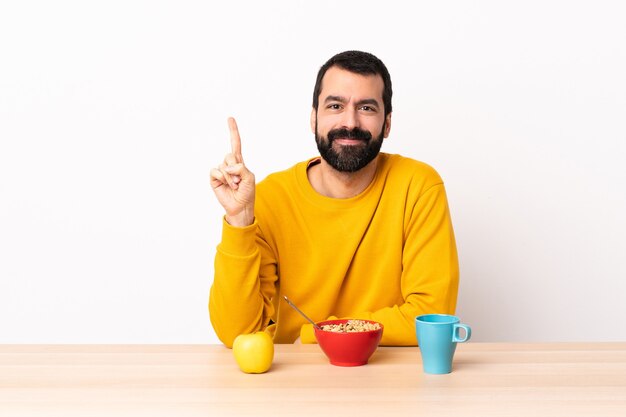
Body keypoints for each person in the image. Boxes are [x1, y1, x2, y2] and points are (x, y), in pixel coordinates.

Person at [209, 50, 459, 347]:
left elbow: (431, 316)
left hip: (389, 379)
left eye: (366, 108)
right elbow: (237, 333)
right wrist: (239, 221)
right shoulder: (269, 198)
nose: (350, 122)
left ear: (387, 123)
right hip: (296, 382)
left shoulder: (418, 187)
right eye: (336, 105)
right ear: (314, 118)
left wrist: (317, 335)